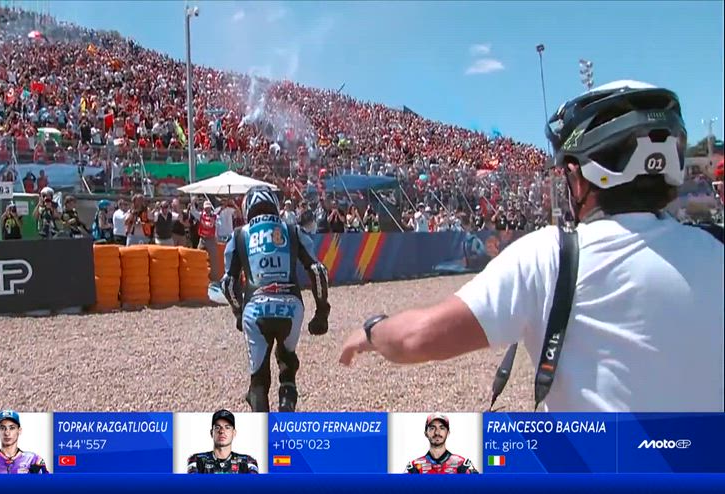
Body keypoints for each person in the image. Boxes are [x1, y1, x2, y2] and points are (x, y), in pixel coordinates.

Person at [339, 81, 725, 412]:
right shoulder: (716, 247)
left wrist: (373, 330)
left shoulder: (551, 255)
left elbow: (417, 338)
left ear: (579, 177)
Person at [219, 185, 331, 412]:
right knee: (287, 361)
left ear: (247, 208)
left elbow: (227, 284)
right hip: (291, 308)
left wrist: (239, 312)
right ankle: (287, 404)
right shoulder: (293, 230)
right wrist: (321, 313)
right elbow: (318, 271)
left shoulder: (239, 235)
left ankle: (261, 424)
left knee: (258, 380)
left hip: (255, 308)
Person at [0, 410, 49, 474]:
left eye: (12, 428)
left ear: (19, 430)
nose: (7, 433)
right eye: (2, 428)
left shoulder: (33, 460)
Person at [187, 410, 259, 474]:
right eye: (217, 427)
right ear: (211, 433)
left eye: (227, 427)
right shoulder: (197, 460)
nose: (222, 431)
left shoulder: (247, 462)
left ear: (234, 433)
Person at [405, 414, 478, 474]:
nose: (437, 432)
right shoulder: (414, 467)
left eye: (442, 428)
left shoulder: (462, 465)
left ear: (448, 433)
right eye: (432, 428)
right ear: (426, 433)